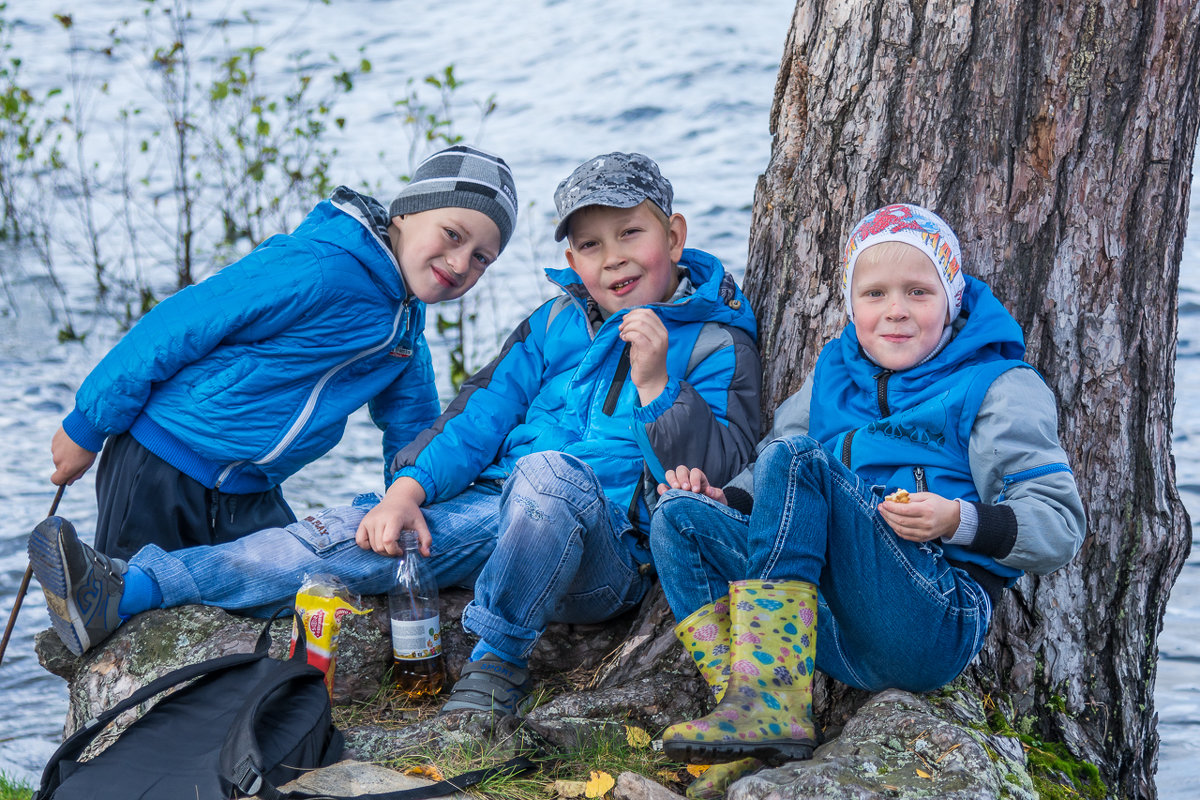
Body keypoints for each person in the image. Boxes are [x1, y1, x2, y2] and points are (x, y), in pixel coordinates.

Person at [29, 151, 763, 718]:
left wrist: (658, 385)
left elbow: (726, 473)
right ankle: (129, 588)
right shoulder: (551, 322)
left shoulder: (713, 341)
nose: (614, 258)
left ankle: (495, 664)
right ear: (570, 261)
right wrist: (405, 493)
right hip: (492, 512)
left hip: (604, 555)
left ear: (674, 235)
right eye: (591, 245)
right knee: (340, 533)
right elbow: (476, 422)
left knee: (549, 473)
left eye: (631, 233)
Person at [647, 203, 1086, 798]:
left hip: (931, 616)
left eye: (918, 292)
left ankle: (771, 702)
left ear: (951, 299)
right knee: (678, 514)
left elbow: (1059, 526)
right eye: (874, 293)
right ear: (852, 305)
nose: (895, 310)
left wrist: (956, 520)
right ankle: (751, 713)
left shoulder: (998, 386)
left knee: (799, 456)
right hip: (828, 623)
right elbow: (773, 475)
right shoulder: (832, 372)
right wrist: (726, 497)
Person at [47, 145, 519, 561]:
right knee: (134, 613)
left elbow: (412, 424)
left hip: (250, 491)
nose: (461, 264)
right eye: (453, 234)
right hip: (161, 461)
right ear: (405, 213)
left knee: (285, 606)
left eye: (482, 258)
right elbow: (175, 326)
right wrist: (87, 426)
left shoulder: (405, 329)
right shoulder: (319, 267)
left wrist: (412, 495)